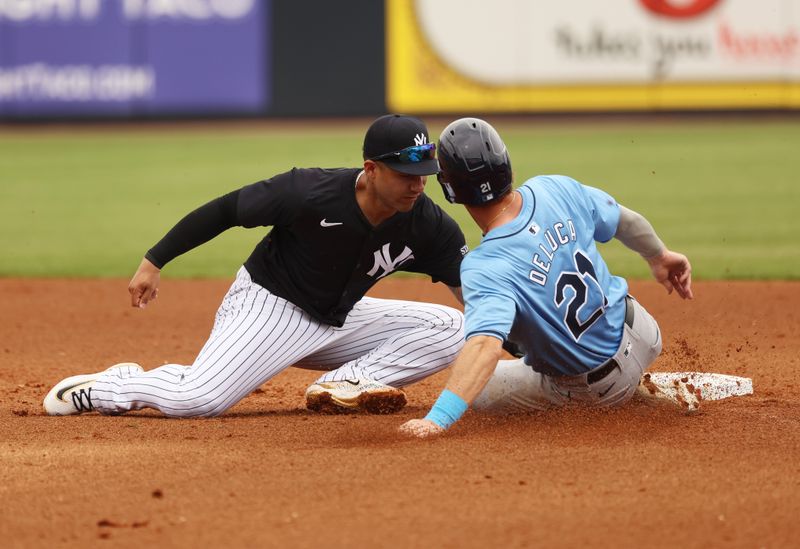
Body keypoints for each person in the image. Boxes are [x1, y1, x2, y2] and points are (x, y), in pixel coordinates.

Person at [43, 114, 467, 418]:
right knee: (199, 398)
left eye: (424, 172)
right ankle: (108, 387)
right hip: (270, 307)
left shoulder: (428, 223)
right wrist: (155, 260)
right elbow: (226, 210)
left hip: (339, 318)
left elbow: (475, 294)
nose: (418, 184)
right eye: (405, 173)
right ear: (371, 170)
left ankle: (346, 382)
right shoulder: (309, 191)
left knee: (456, 328)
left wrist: (525, 348)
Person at [399, 118, 694, 438]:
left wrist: (437, 420)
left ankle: (629, 395)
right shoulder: (554, 188)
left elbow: (484, 345)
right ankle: (637, 383)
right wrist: (659, 256)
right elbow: (625, 220)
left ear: (449, 188)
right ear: (505, 165)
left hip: (597, 387)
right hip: (644, 333)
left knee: (480, 391)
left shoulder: (485, 266)